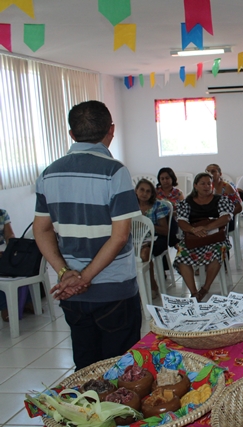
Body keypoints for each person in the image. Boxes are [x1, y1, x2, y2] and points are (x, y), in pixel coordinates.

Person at [33, 100, 142, 370]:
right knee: (121, 370)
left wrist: (65, 274)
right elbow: (119, 237)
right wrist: (85, 278)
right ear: (111, 130)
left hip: (71, 293)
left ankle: (88, 412)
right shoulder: (115, 172)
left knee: (86, 366)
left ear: (72, 134)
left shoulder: (49, 174)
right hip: (114, 290)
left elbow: (41, 229)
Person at [174, 172, 233, 302]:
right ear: (195, 185)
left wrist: (207, 228)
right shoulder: (187, 202)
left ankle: (205, 288)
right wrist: (193, 229)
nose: (206, 186)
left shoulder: (220, 200)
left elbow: (226, 217)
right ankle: (194, 293)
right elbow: (182, 221)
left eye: (209, 183)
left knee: (217, 252)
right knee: (181, 255)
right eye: (202, 183)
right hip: (194, 236)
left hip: (214, 237)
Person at [135, 179, 170, 298]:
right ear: (136, 190)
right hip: (135, 239)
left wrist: (148, 224)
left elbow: (165, 230)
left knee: (144, 253)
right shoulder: (130, 206)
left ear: (152, 194)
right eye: (142, 190)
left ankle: (151, 285)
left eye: (148, 191)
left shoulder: (157, 206)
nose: (144, 193)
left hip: (155, 239)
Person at [206, 164, 243, 234]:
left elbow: (239, 207)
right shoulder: (206, 188)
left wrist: (224, 216)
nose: (210, 174)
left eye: (213, 171)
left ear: (220, 174)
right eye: (207, 172)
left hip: (227, 219)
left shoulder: (227, 188)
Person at [0, 209, 16, 322]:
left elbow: (9, 235)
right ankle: (4, 307)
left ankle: (26, 301)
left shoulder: (2, 213)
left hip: (2, 251)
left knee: (20, 262)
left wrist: (12, 247)